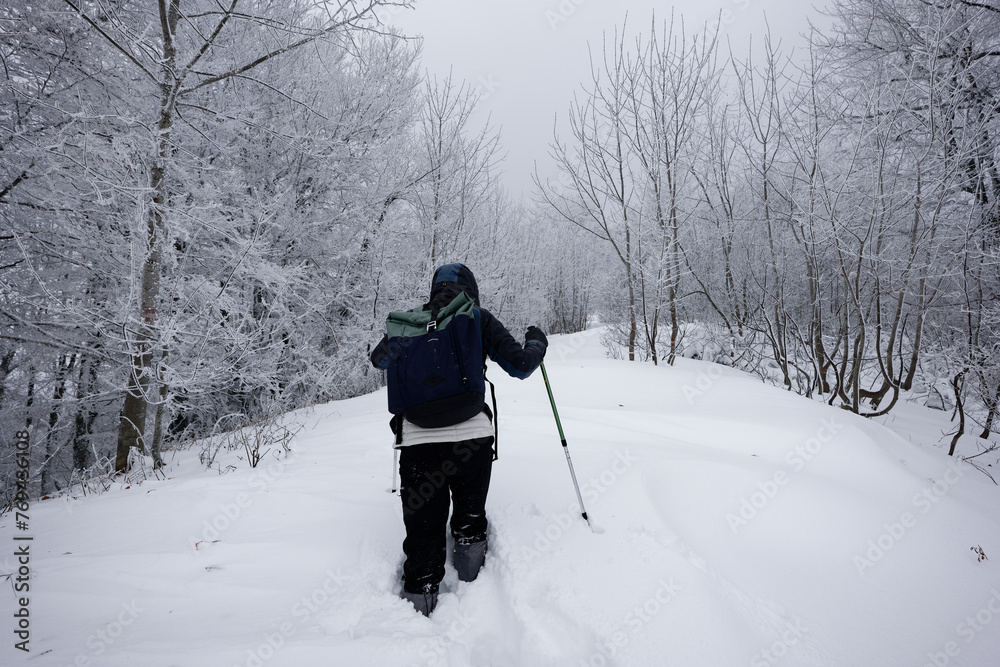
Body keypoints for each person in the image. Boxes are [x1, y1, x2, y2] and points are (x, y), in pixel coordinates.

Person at [369, 263, 547, 616]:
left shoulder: (411, 322)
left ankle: (419, 606)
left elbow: (379, 360)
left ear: (434, 289)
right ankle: (472, 583)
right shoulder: (477, 317)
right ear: (471, 288)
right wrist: (536, 342)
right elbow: (521, 366)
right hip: (472, 439)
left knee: (423, 529)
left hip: (418, 444)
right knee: (469, 516)